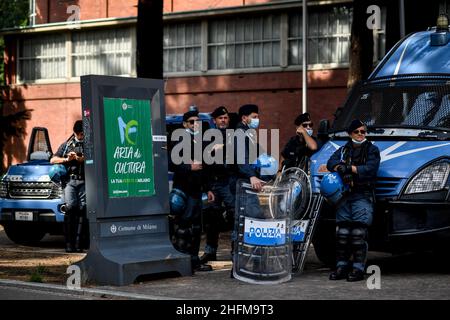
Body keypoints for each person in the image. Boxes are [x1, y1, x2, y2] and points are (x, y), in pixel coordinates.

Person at [326, 119, 380, 282]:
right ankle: (341, 266)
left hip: (362, 194)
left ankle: (358, 269)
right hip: (344, 196)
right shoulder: (344, 150)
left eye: (363, 131)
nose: (360, 134)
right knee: (342, 234)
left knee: (358, 234)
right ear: (350, 134)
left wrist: (350, 168)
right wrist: (339, 168)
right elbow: (331, 163)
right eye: (357, 132)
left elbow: (370, 169)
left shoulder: (372, 149)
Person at [169, 108, 215, 272]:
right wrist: (189, 166)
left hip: (197, 191)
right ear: (184, 124)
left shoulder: (201, 142)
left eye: (198, 122)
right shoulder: (178, 140)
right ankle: (181, 262)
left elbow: (206, 168)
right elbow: (171, 163)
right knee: (183, 227)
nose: (195, 124)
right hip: (183, 189)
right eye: (191, 122)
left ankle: (194, 262)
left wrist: (209, 188)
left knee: (196, 228)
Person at [200, 106, 237, 264]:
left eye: (226, 118)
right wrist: (207, 187)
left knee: (235, 216)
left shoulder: (234, 135)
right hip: (214, 182)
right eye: (220, 118)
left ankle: (236, 252)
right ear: (214, 121)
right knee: (211, 218)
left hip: (229, 182)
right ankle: (210, 251)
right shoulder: (207, 138)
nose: (223, 120)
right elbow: (204, 163)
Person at [50, 120, 88, 253]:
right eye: (79, 134)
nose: (81, 136)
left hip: (84, 180)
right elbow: (53, 159)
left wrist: (83, 159)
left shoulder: (89, 144)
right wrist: (67, 159)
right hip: (70, 181)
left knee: (82, 209)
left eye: (83, 134)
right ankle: (69, 244)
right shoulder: (67, 145)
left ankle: (79, 244)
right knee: (71, 208)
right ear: (75, 133)